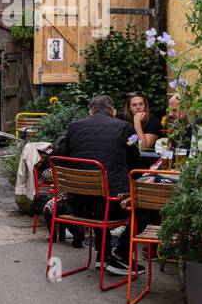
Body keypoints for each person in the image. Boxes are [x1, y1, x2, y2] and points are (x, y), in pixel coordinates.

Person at [50, 94, 142, 276]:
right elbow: (135, 165)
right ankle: (120, 256)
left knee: (101, 195)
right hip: (109, 207)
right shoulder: (125, 127)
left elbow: (62, 158)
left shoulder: (74, 127)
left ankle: (103, 256)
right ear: (113, 111)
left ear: (90, 112)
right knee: (141, 207)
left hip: (76, 204)